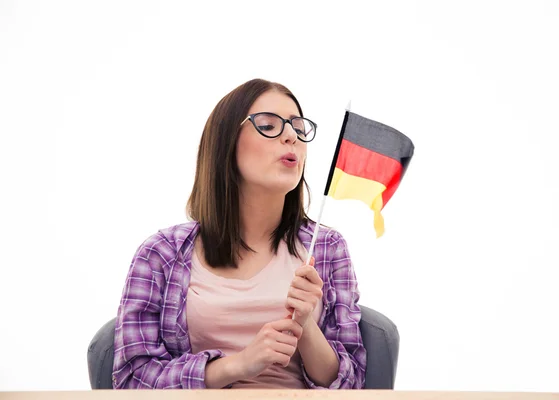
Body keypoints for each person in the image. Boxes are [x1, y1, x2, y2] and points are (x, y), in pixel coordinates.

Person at [112, 78, 367, 389]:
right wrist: (239, 364)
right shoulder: (161, 253)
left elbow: (353, 384)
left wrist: (306, 328)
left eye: (299, 128)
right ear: (226, 142)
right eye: (269, 125)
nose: (291, 137)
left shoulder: (328, 248)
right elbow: (131, 379)